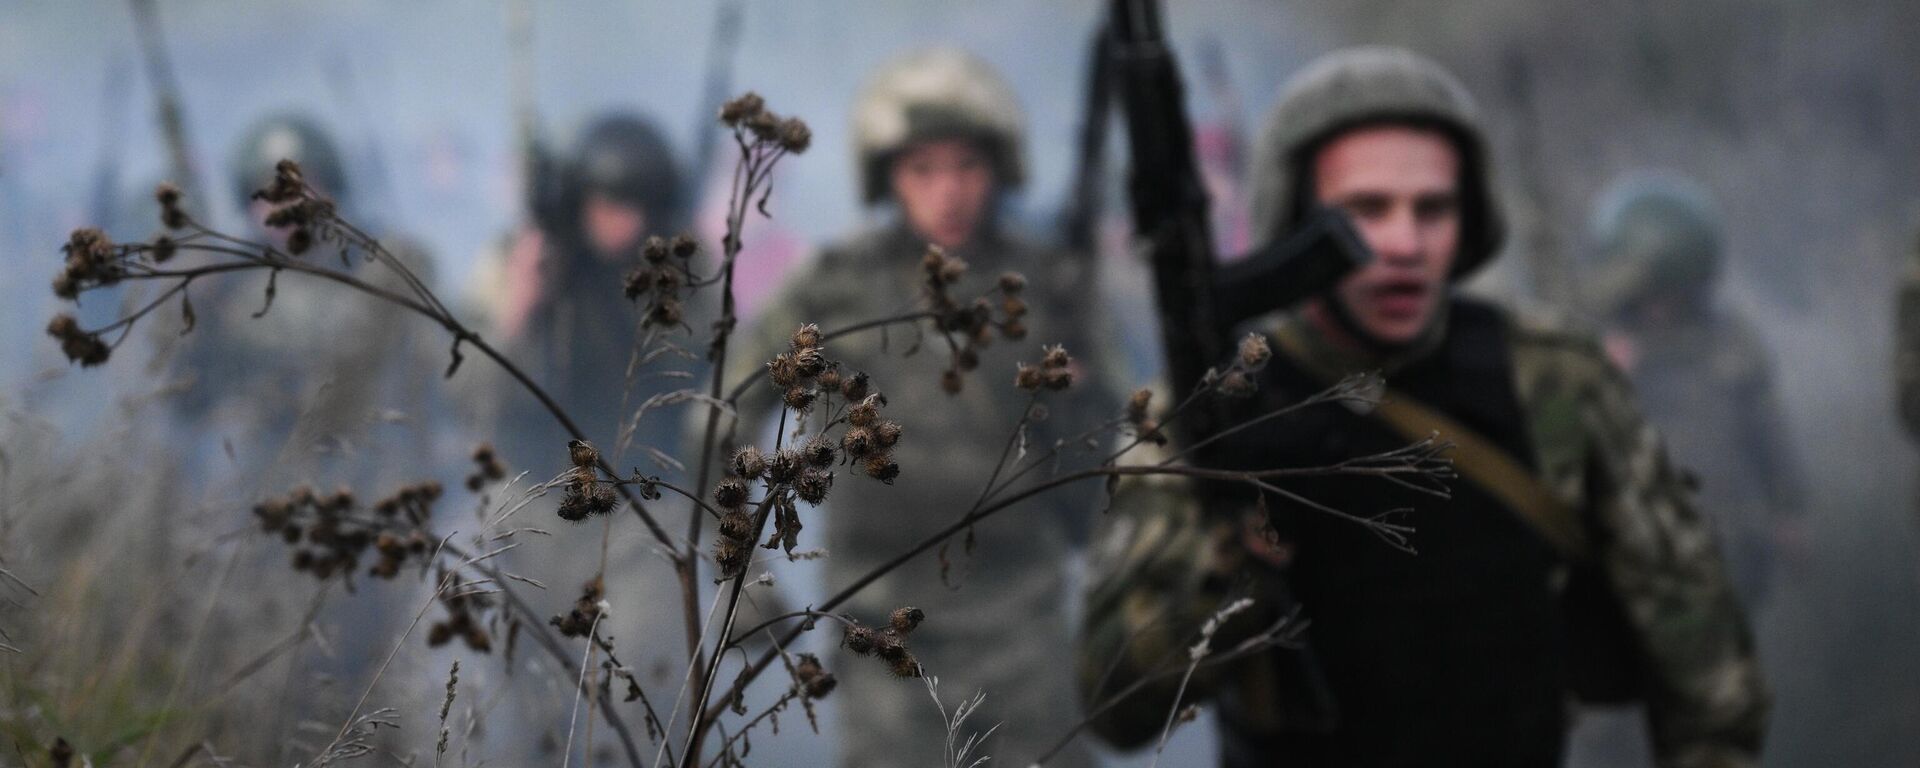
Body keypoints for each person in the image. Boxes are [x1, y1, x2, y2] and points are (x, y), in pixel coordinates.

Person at [1076, 47, 1767, 768]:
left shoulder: (1551, 374)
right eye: (1364, 212)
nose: (1404, 244)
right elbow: (1118, 705)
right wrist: (1225, 559)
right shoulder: (1206, 407)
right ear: (1296, 217)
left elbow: (1699, 644)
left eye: (1431, 209)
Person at [733, 48, 1113, 768]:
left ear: (998, 170)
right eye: (924, 169)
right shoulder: (836, 290)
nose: (951, 191)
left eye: (968, 166)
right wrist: (744, 582)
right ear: (889, 176)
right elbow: (722, 416)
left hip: (1026, 630)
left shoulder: (1049, 286)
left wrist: (1082, 405)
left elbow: (1117, 463)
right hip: (883, 635)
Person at [1584, 172, 1804, 611]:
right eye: (1647, 297)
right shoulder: (1591, 341)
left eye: (1668, 296)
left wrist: (1789, 510)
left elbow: (1765, 428)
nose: (1657, 310)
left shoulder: (1728, 341)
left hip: (1724, 536)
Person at [476, 112, 696, 470]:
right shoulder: (530, 258)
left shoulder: (677, 272)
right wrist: (518, 307)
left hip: (642, 480)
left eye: (636, 208)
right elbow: (467, 394)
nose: (623, 223)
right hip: (534, 478)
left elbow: (701, 371)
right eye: (609, 205)